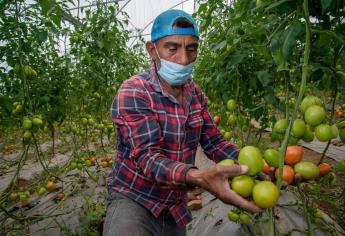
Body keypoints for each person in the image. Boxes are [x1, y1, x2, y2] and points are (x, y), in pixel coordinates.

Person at [103, 9, 261, 236]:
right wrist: (199, 177)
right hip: (134, 198)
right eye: (172, 48)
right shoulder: (135, 91)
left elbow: (214, 142)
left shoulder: (195, 94)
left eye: (191, 49)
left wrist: (252, 166)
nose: (184, 59)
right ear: (152, 50)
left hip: (175, 204)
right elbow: (147, 158)